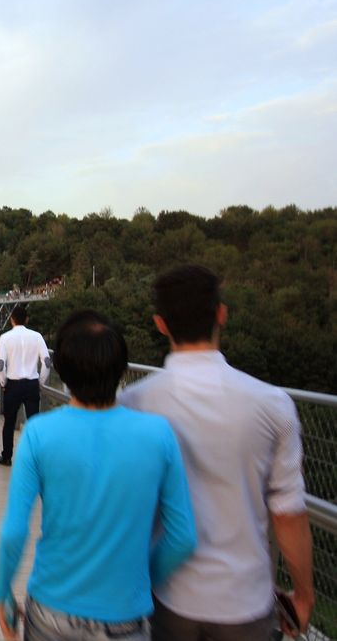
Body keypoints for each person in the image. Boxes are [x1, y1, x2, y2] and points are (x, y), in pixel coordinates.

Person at [119, 265, 314, 640]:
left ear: (160, 324)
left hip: (166, 597)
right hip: (246, 601)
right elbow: (288, 513)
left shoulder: (133, 403)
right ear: (221, 314)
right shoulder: (273, 404)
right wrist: (302, 597)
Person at [0, 310, 196, 641]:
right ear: (121, 368)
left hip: (52, 608)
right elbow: (183, 536)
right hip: (126, 614)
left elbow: (14, 531)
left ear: (64, 369)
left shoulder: (39, 433)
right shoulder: (158, 434)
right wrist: (141, 580)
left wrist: (2, 593)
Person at [0, 305, 50, 466]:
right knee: (33, 422)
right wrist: (40, 381)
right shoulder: (37, 336)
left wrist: (3, 382)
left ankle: (7, 456)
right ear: (27, 319)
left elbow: (0, 363)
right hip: (32, 382)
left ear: (12, 319)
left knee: (9, 422)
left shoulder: (5, 337)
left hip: (13, 384)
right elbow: (46, 362)